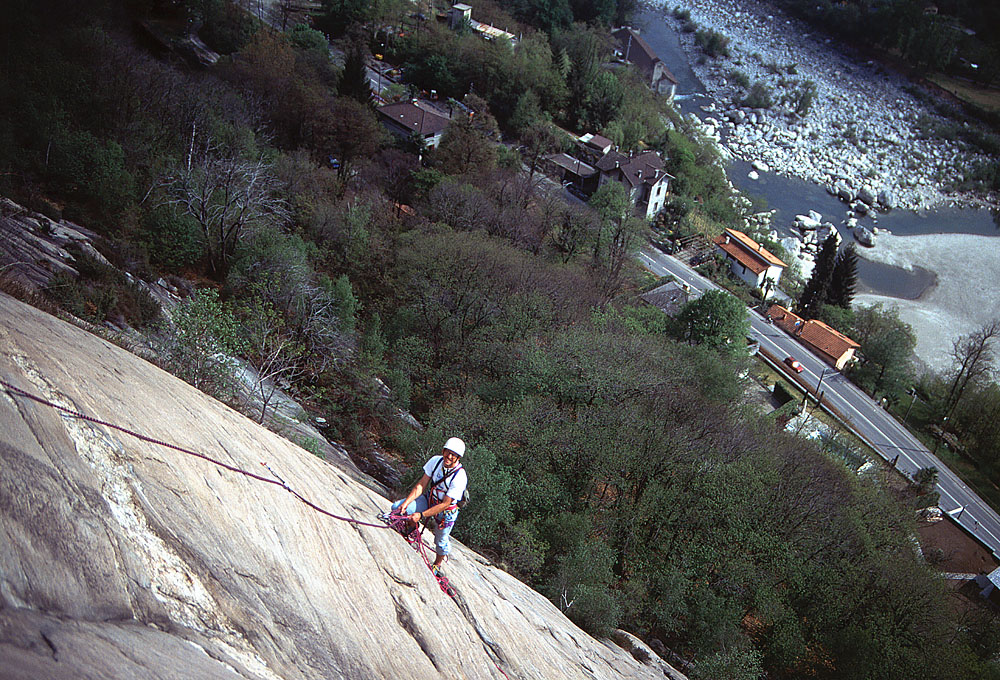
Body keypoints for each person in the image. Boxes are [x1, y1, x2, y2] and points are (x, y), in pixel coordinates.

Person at [391, 437, 468, 575]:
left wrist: (421, 515)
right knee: (397, 508)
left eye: (453, 455)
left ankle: (438, 564)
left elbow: (445, 503)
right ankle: (411, 529)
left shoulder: (460, 476)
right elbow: (421, 485)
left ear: (458, 457)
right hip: (430, 500)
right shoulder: (436, 461)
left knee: (441, 541)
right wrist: (406, 503)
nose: (449, 456)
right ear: (443, 450)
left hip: (446, 512)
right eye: (447, 452)